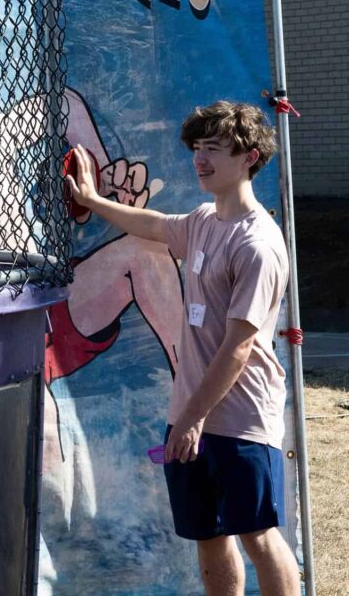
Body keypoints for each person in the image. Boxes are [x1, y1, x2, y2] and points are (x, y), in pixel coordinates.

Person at [66, 100, 300, 596]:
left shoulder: (258, 243)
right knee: (208, 534)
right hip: (190, 414)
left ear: (249, 157)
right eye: (197, 148)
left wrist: (192, 418)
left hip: (240, 418)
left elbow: (239, 347)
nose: (200, 159)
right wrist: (92, 198)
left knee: (257, 534)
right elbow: (151, 225)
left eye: (214, 148)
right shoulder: (202, 221)